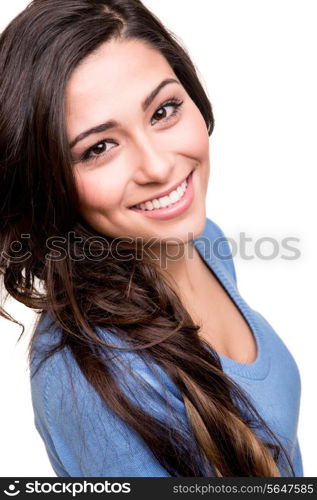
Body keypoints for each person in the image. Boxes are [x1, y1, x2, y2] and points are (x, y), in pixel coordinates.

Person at [0, 0, 302, 477]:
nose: (158, 166)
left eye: (163, 110)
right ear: (47, 178)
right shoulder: (87, 379)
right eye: (99, 147)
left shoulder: (204, 243)